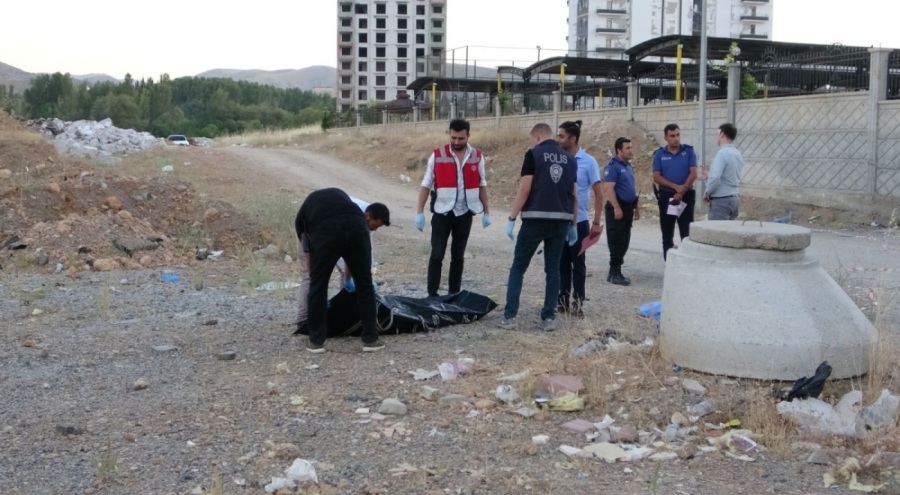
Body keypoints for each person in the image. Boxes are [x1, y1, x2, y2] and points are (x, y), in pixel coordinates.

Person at [498, 123, 578, 332]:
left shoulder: (533, 154)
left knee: (518, 267)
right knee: (553, 270)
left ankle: (510, 316)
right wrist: (573, 223)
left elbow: (525, 188)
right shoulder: (570, 159)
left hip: (535, 219)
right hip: (560, 221)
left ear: (536, 137)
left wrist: (512, 217)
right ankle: (548, 318)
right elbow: (574, 194)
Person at [294, 188, 390, 353]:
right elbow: (353, 256)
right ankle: (371, 339)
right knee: (365, 285)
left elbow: (305, 242)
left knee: (318, 286)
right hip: (356, 228)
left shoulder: (307, 209)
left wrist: (314, 268)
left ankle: (316, 341)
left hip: (326, 231)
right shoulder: (349, 203)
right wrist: (350, 278)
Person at [415, 118, 491, 298]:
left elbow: (482, 185)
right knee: (437, 255)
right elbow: (426, 184)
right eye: (454, 137)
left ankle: (453, 293)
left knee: (458, 256)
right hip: (442, 213)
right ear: (449, 133)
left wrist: (487, 212)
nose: (457, 142)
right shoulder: (437, 155)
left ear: (468, 136)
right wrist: (419, 212)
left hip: (465, 213)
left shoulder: (477, 156)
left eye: (461, 139)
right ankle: (432, 294)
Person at [555, 120, 603, 318]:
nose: (558, 140)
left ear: (572, 138)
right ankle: (563, 301)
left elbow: (599, 194)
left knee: (579, 263)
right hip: (560, 220)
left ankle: (578, 302)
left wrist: (596, 222)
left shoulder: (588, 161)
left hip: (580, 221)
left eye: (561, 136)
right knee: (561, 263)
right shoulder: (557, 159)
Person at [652, 124, 698, 260]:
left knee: (686, 233)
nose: (676, 138)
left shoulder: (688, 151)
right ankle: (669, 265)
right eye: (672, 136)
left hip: (686, 197)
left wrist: (682, 190)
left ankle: (688, 263)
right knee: (667, 233)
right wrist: (675, 187)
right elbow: (656, 177)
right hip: (667, 197)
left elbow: (694, 173)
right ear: (666, 137)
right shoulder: (660, 154)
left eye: (678, 135)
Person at [602, 137, 640, 286]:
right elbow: (609, 188)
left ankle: (615, 271)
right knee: (617, 240)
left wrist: (636, 208)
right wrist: (616, 207)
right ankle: (614, 272)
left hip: (628, 208)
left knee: (624, 241)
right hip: (617, 208)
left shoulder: (628, 166)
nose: (631, 150)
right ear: (619, 150)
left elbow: (632, 188)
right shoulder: (613, 167)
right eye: (628, 148)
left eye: (631, 147)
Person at [703, 123, 743, 220]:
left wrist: (707, 193)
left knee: (716, 233)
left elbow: (716, 178)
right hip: (734, 199)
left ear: (722, 134)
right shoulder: (737, 153)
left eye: (718, 134)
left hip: (721, 201)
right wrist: (709, 175)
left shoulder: (722, 154)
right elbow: (729, 175)